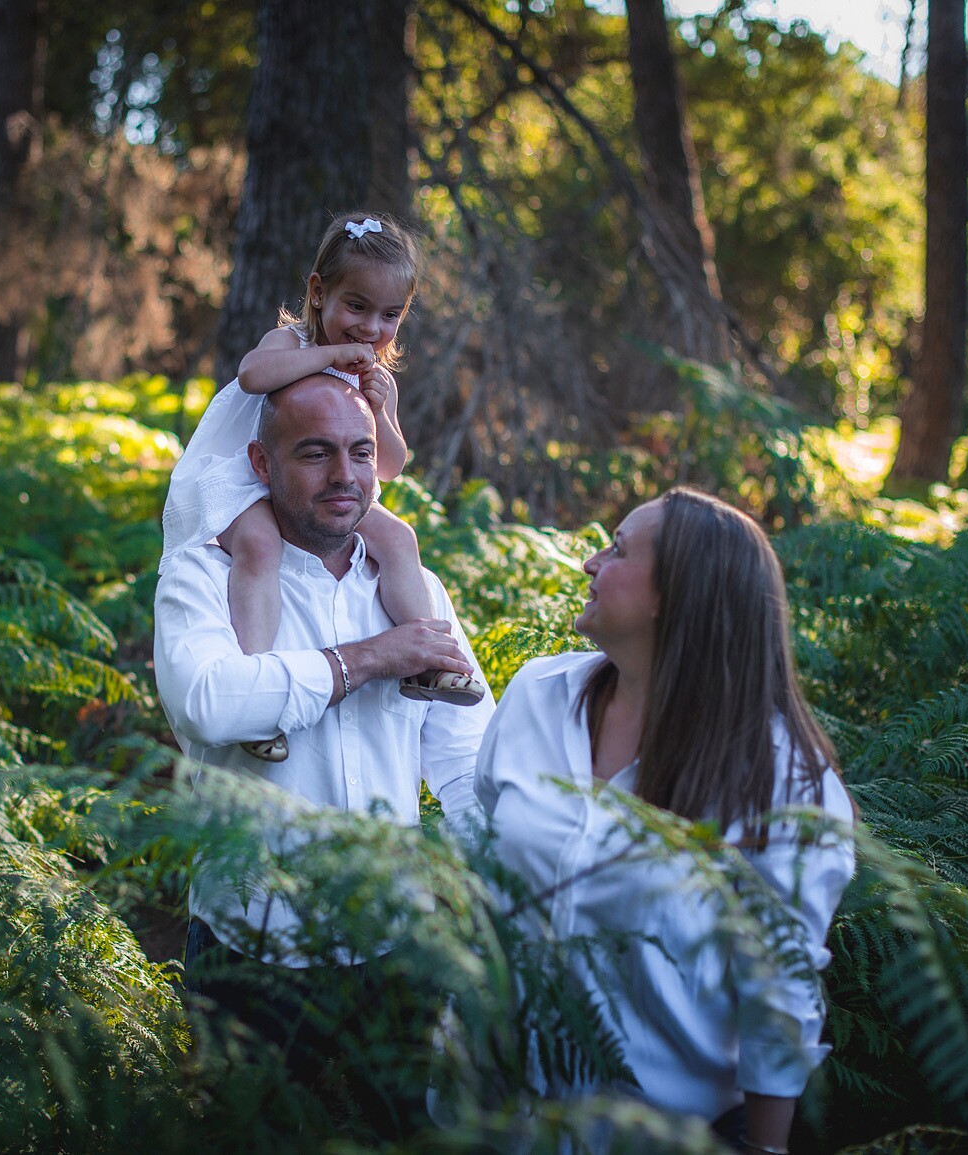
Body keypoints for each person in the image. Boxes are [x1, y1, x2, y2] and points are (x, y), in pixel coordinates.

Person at [153, 373, 495, 1136]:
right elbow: (208, 701)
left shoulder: (414, 588)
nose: (345, 476)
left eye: (361, 451)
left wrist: (507, 907)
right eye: (315, 453)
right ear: (261, 463)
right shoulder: (204, 577)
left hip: (394, 947)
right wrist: (367, 659)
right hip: (252, 948)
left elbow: (469, 765)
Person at [475, 488, 857, 1155]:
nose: (591, 562)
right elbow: (485, 851)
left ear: (674, 594)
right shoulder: (537, 696)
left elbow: (779, 995)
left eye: (617, 549)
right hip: (484, 1119)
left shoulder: (779, 778)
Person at [161, 211, 487, 763]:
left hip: (330, 485)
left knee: (400, 539)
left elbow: (388, 466)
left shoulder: (377, 378)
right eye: (356, 306)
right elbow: (251, 377)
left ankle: (429, 656)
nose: (369, 329)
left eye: (389, 316)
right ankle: (257, 696)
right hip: (245, 478)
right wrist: (329, 358)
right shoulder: (289, 344)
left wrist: (380, 410)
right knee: (260, 545)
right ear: (318, 293)